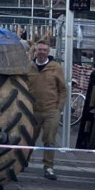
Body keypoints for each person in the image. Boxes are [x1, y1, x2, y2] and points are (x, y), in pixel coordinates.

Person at [28, 39, 67, 180]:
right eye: (39, 50)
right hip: (32, 110)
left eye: (44, 50)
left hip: (51, 110)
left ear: (48, 52)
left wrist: (59, 109)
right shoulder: (29, 67)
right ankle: (23, 163)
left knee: (49, 140)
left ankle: (48, 167)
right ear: (35, 51)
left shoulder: (56, 68)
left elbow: (63, 90)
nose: (41, 52)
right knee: (28, 138)